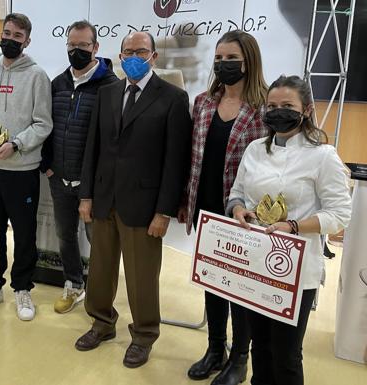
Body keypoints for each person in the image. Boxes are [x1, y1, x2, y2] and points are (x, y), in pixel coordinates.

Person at [74, 32, 192, 368]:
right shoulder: (108, 93)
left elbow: (175, 161)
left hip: (144, 205)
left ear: (154, 56)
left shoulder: (172, 98)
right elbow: (92, 148)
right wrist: (86, 195)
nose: (133, 57)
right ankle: (101, 321)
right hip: (103, 199)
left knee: (141, 276)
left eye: (140, 51)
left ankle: (143, 335)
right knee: (99, 269)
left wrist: (164, 211)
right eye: (127, 52)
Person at [227, 75, 352, 385]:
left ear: (306, 110)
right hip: (254, 260)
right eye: (271, 106)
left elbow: (340, 214)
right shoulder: (256, 148)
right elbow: (236, 192)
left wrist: (295, 225)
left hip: (295, 269)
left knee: (286, 354)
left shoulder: (323, 156)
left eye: (287, 106)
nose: (277, 112)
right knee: (260, 347)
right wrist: (238, 209)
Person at [179, 30, 268, 385]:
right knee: (214, 281)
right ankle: (215, 348)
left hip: (242, 213)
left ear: (249, 61)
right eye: (218, 58)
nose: (223, 64)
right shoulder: (203, 101)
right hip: (205, 206)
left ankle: (240, 358)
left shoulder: (263, 108)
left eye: (231, 58)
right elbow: (192, 155)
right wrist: (185, 199)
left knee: (241, 289)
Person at [0, 13, 52, 321]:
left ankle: (22, 288)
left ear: (27, 41)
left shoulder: (37, 75)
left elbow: (44, 123)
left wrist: (16, 143)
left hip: (22, 170)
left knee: (25, 233)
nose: (10, 39)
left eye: (17, 36)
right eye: (7, 33)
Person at [40, 20, 118, 314]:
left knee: (97, 240)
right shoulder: (58, 82)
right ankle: (73, 283)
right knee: (65, 235)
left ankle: (99, 295)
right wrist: (47, 165)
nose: (76, 51)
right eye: (72, 45)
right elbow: (45, 124)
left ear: (95, 47)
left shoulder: (111, 86)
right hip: (59, 179)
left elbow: (111, 140)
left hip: (93, 185)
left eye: (83, 46)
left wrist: (97, 181)